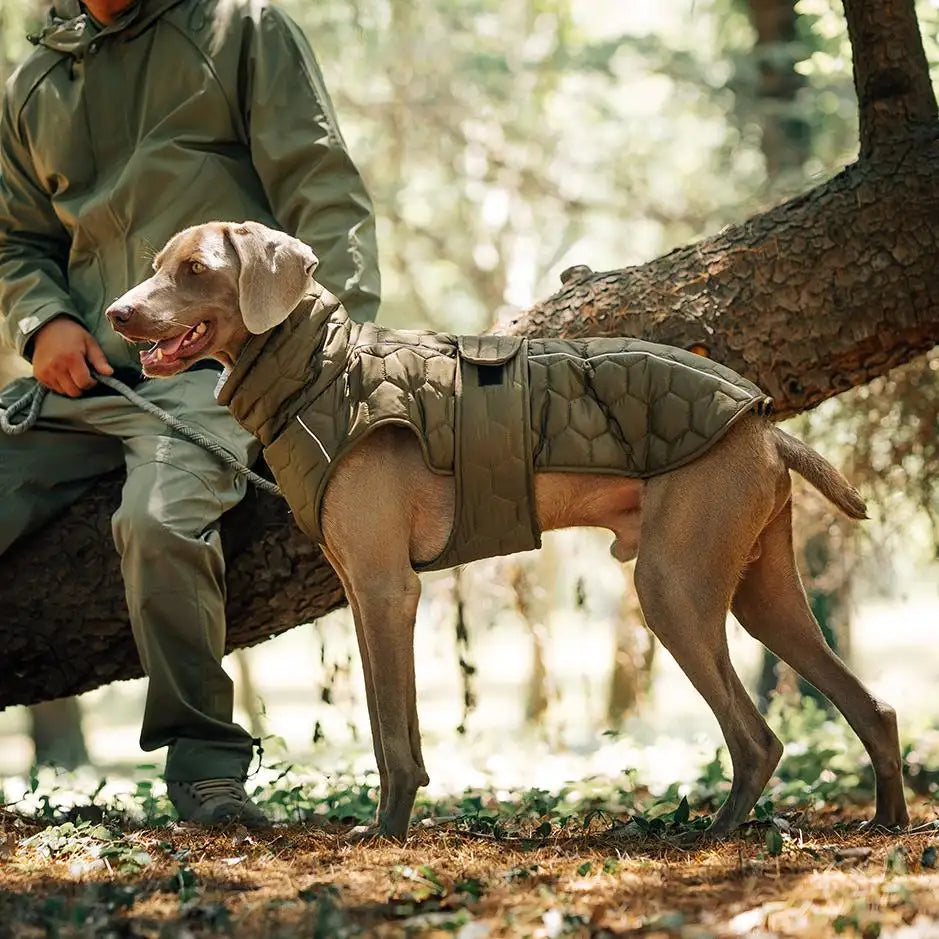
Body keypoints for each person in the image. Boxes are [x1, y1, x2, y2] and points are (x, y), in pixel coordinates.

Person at [0, 0, 379, 825]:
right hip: (81, 377)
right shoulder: (32, 77)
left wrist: (320, 358)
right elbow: (16, 238)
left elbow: (322, 193)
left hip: (213, 375)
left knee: (163, 521)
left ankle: (206, 773)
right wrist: (44, 322)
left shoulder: (241, 30)